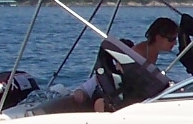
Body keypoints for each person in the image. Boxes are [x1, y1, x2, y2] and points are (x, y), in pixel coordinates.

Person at [39, 17, 182, 115]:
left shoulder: (152, 53)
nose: (174, 43)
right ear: (158, 37)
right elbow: (117, 75)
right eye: (171, 39)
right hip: (105, 87)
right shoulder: (138, 52)